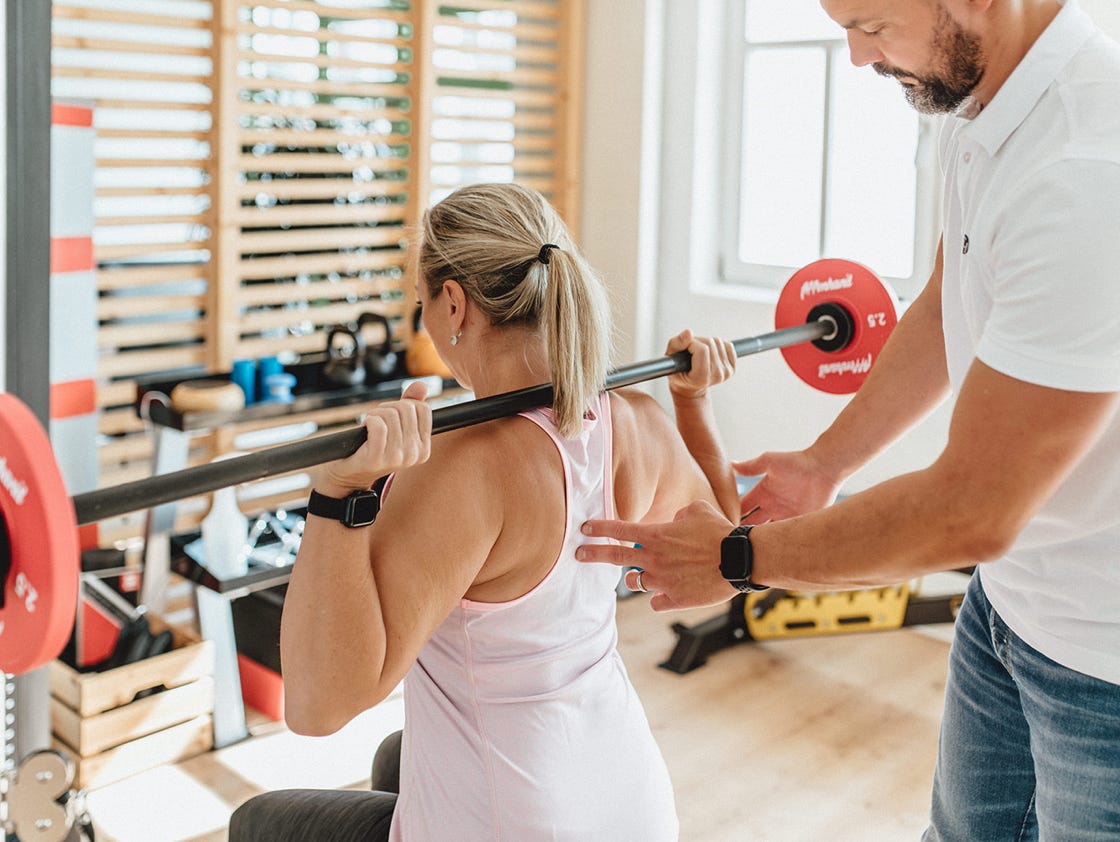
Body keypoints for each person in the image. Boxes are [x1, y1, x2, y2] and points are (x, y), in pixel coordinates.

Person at [577, 1, 1120, 839]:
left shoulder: (1087, 168)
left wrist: (739, 556)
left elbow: (971, 510)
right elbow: (950, 298)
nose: (858, 58)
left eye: (870, 23)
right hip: (1009, 611)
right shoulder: (981, 109)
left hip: (1104, 665)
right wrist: (827, 462)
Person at [229, 181, 741, 841]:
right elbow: (725, 560)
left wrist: (339, 496)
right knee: (397, 753)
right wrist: (694, 405)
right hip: (632, 807)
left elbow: (318, 705)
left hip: (524, 824)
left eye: (421, 304)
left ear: (452, 303)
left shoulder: (462, 468)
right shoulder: (634, 421)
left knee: (256, 823)